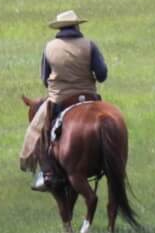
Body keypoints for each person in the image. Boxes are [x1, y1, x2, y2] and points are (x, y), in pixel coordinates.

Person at [20, 10, 108, 191]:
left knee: (39, 131)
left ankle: (47, 174)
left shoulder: (49, 47)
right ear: (77, 26)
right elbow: (102, 75)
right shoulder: (90, 45)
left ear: (59, 28)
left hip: (59, 98)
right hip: (89, 95)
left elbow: (44, 79)